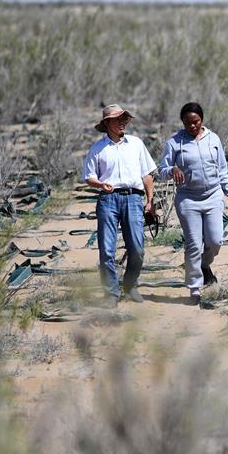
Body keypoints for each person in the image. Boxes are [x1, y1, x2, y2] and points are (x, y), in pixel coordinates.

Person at [159, 102, 228, 306]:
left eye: (195, 122)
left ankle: (205, 264)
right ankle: (194, 288)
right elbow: (162, 170)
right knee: (193, 244)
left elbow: (222, 170)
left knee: (215, 240)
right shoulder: (175, 142)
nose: (192, 126)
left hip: (212, 196)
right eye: (187, 123)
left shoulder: (213, 139)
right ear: (182, 123)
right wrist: (172, 170)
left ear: (202, 120)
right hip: (188, 198)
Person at [82, 104, 156, 307]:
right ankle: (111, 294)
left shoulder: (137, 144)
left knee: (137, 248)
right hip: (108, 199)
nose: (123, 122)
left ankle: (130, 285)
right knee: (106, 249)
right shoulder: (97, 148)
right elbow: (88, 176)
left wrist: (150, 201)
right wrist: (100, 184)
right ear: (107, 123)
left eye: (125, 118)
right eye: (118, 119)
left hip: (134, 198)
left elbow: (147, 174)